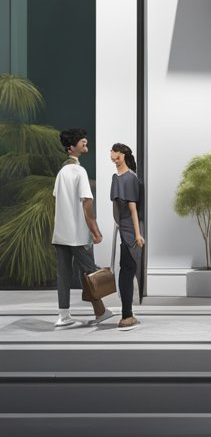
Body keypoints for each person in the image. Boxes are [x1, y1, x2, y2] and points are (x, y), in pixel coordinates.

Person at [51, 128, 113, 328]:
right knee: (90, 273)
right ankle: (101, 312)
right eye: (81, 141)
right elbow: (87, 202)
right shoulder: (79, 171)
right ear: (71, 147)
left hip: (60, 234)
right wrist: (94, 230)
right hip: (77, 234)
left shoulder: (61, 172)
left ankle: (64, 316)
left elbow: (58, 199)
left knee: (64, 275)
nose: (85, 142)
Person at [109, 143, 145, 330]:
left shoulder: (125, 178)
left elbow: (128, 209)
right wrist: (138, 234)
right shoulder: (125, 177)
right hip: (129, 231)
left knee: (126, 270)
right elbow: (132, 210)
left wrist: (132, 233)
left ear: (122, 155)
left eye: (114, 151)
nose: (111, 154)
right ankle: (126, 316)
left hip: (127, 230)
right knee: (128, 271)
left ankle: (127, 314)